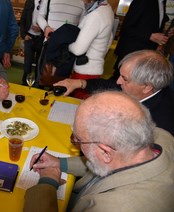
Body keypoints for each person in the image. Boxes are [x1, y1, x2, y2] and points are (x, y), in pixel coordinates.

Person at [24, 91, 174, 211]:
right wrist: (59, 162)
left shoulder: (111, 207)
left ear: (105, 152)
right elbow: (103, 162)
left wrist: (47, 182)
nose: (76, 144)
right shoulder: (162, 136)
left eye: (79, 140)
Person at [54, 50, 174, 135]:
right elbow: (109, 85)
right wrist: (80, 83)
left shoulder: (160, 124)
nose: (118, 81)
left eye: (125, 79)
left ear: (147, 87)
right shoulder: (139, 88)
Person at [111, 0, 170, 80]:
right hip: (131, 53)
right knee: (118, 82)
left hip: (146, 54)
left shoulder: (162, 3)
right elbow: (126, 27)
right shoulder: (143, 1)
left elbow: (151, 25)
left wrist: (164, 34)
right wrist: (150, 36)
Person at [67, 0, 114, 99]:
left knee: (76, 105)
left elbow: (78, 49)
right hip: (94, 69)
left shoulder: (96, 15)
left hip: (84, 71)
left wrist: (66, 45)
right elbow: (109, 38)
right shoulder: (107, 9)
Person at [19, 0, 44, 86]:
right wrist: (23, 35)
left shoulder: (48, 3)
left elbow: (50, 21)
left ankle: (37, 85)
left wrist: (41, 28)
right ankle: (25, 84)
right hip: (29, 37)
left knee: (39, 65)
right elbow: (23, 19)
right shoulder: (29, 1)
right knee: (27, 64)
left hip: (41, 38)